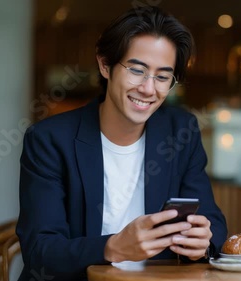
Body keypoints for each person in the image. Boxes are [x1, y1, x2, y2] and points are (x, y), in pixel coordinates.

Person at [16, 7, 227, 281]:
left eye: (163, 77)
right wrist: (112, 247)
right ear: (105, 64)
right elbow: (40, 251)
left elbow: (213, 222)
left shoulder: (180, 131)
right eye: (137, 70)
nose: (149, 89)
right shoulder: (50, 139)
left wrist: (201, 243)